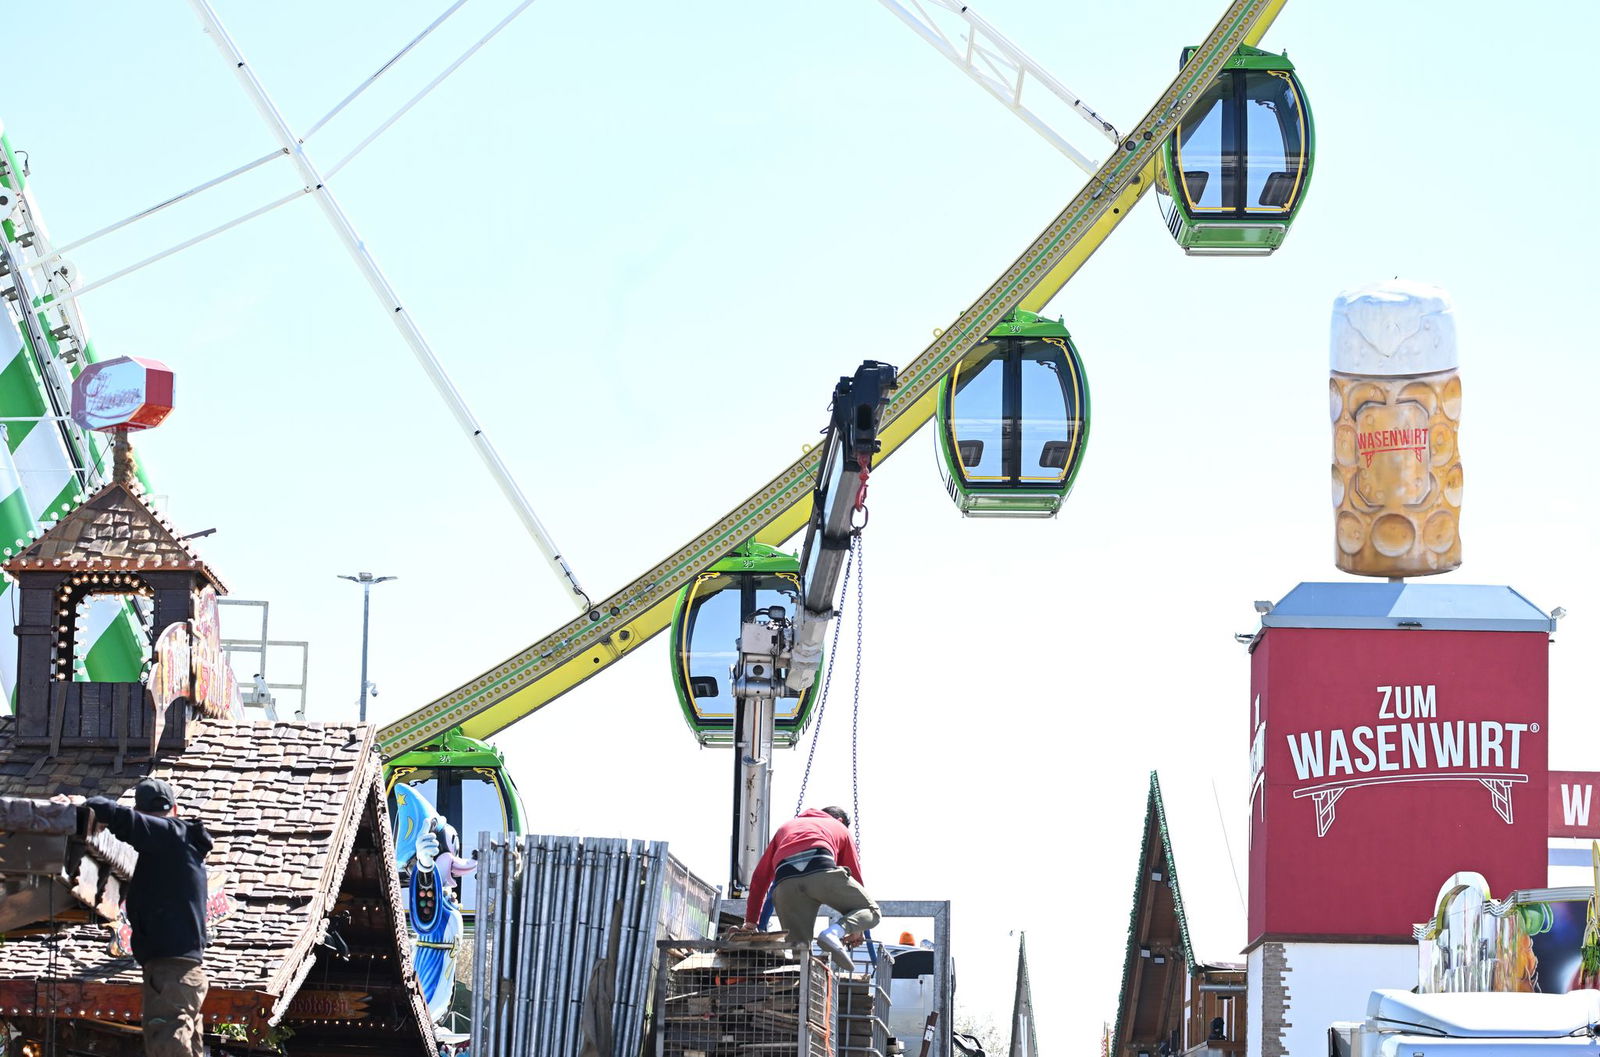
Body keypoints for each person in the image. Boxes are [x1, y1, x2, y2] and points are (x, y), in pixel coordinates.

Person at [65, 778, 214, 1057]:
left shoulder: (172, 836)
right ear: (176, 808)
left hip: (171, 970)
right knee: (181, 1044)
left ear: (142, 813)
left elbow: (119, 816)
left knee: (166, 1043)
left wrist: (84, 805)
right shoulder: (179, 846)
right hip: (180, 971)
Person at [737, 806, 880, 963]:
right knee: (871, 911)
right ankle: (833, 933)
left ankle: (802, 971)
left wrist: (750, 923)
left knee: (800, 955)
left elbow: (760, 878)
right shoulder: (839, 827)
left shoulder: (786, 827)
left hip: (785, 884)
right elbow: (855, 879)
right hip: (821, 869)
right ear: (840, 820)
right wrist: (856, 927)